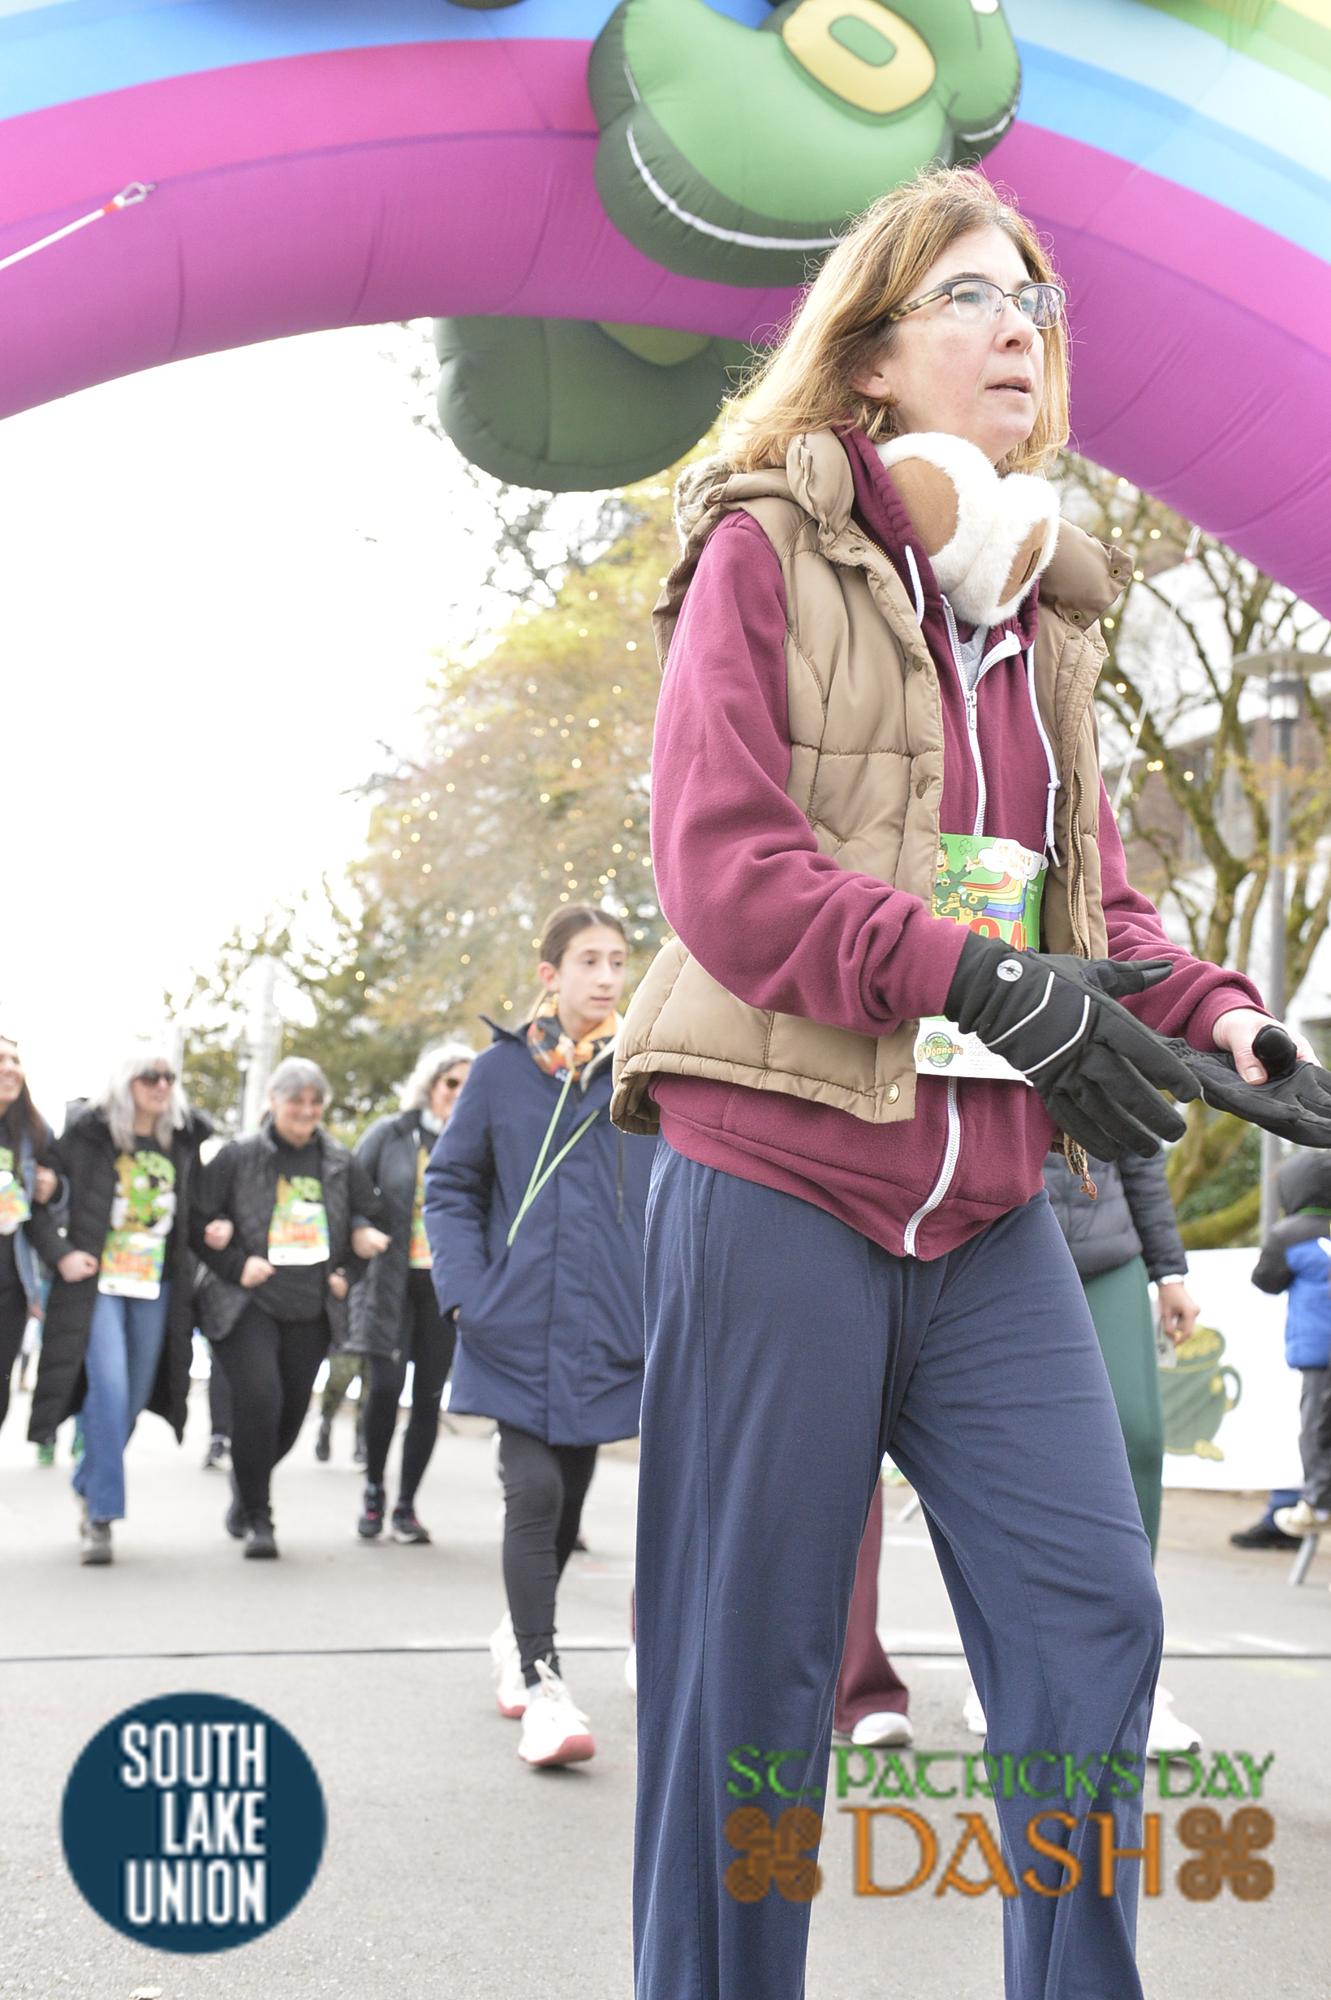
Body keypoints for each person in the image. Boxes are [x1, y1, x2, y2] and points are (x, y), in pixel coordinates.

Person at [608, 165, 1322, 2000]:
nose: (1022, 330)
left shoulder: (1047, 612)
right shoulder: (760, 550)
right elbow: (727, 871)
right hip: (776, 1183)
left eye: (1036, 303)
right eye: (974, 298)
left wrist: (1224, 1017)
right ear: (868, 354)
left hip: (990, 1210)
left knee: (1093, 1624)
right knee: (752, 1692)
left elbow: (1099, 901)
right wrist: (987, 980)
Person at [425, 905, 655, 1767]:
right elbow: (450, 1186)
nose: (606, 977)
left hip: (607, 1331)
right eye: (588, 960)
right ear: (549, 975)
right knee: (533, 1493)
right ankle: (542, 1684)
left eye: (617, 961)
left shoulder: (643, 1071)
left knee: (567, 1502)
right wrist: (465, 1296)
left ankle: (514, 1637)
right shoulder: (498, 1073)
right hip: (512, 1324)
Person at [192, 1057, 387, 1559]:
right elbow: (198, 1218)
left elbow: (369, 1215)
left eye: (315, 1102)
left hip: (311, 1307)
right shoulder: (238, 1156)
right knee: (260, 1399)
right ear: (273, 1101)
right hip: (246, 1302)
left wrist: (348, 1270)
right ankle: (260, 1517)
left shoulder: (339, 1162)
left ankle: (244, 1491)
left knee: (290, 1416)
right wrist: (237, 1264)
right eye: (295, 1100)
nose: (306, 1110)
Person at [26, 1047, 211, 1564]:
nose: (161, 1085)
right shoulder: (88, 1136)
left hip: (157, 1287)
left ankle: (88, 1480)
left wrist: (216, 1231)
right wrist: (61, 1255)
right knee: (108, 1389)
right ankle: (101, 1517)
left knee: (131, 1397)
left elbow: (195, 1214)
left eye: (168, 1077)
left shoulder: (182, 1142)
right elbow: (36, 1201)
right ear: (126, 1083)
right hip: (97, 1286)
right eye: (149, 1076)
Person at [344, 1040, 473, 1543]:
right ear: (431, 1085)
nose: (459, 1093)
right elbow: (350, 1192)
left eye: (468, 1085)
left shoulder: (476, 1138)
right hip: (390, 1281)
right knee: (385, 1387)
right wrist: (361, 1227)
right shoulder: (391, 1134)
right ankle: (374, 1491)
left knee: (428, 1398)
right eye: (451, 1083)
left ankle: (406, 1506)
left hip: (443, 1288)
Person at [1251, 1151, 1331, 1543]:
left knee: (1317, 1426)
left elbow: (1266, 1280)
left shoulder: (1288, 1234)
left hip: (1320, 1348)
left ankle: (1319, 1503)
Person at [0, 1033, 61, 1435]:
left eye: (15, 1060)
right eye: (0, 1059)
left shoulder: (34, 1132)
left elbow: (56, 1202)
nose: (10, 1068)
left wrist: (53, 1188)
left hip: (11, 1283)